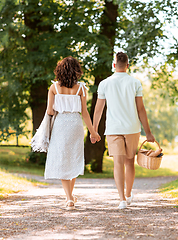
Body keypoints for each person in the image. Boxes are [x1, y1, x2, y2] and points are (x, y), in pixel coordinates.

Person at [91, 52, 155, 209]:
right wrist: (148, 132)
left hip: (113, 129)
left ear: (114, 65)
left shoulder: (104, 83)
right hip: (132, 128)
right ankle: (128, 194)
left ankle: (122, 200)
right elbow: (141, 109)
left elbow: (98, 109)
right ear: (127, 65)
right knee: (129, 162)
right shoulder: (135, 83)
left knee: (118, 163)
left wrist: (94, 130)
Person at [45, 56, 100, 210]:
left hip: (60, 124)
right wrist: (93, 132)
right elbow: (85, 112)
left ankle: (69, 198)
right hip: (75, 124)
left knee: (63, 158)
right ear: (76, 70)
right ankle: (70, 196)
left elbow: (50, 111)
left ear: (60, 70)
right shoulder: (81, 88)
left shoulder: (54, 88)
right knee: (74, 159)